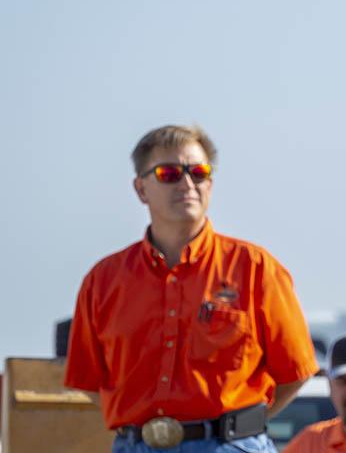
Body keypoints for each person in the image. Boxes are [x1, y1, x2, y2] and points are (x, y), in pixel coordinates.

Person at [64, 125, 319, 452]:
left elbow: (296, 372)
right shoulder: (103, 281)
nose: (187, 183)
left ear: (210, 185)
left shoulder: (257, 269)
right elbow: (88, 380)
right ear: (141, 189)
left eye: (198, 173)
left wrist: (237, 427)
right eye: (169, 173)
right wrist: (142, 424)